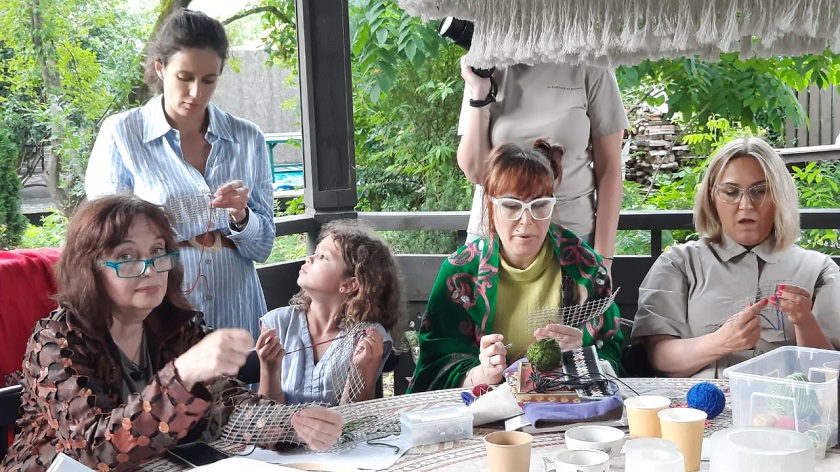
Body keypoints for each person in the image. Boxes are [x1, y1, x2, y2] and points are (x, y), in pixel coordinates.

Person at [0, 196, 341, 471]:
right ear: (89, 269)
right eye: (126, 256)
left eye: (157, 251)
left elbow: (226, 404)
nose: (149, 269)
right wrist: (182, 374)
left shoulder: (177, 325)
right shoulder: (56, 341)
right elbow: (95, 453)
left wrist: (292, 423)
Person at [85, 9, 274, 337]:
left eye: (209, 80)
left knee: (245, 373)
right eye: (184, 78)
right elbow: (106, 240)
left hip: (238, 306)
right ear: (161, 68)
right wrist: (167, 224)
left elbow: (263, 248)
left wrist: (241, 216)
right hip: (162, 311)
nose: (196, 92)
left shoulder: (247, 137)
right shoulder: (123, 134)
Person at [407, 140, 623, 393]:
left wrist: (582, 355)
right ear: (491, 206)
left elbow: (612, 352)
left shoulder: (585, 268)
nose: (526, 220)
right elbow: (436, 365)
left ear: (552, 205)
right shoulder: (461, 272)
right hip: (484, 409)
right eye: (511, 206)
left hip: (565, 402)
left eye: (539, 205)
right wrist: (482, 373)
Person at [631, 137, 840, 378]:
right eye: (731, 192)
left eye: (760, 191)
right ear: (712, 196)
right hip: (700, 400)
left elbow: (830, 373)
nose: (746, 205)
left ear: (780, 196)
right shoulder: (679, 263)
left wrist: (805, 322)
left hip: (789, 400)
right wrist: (720, 342)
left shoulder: (818, 269)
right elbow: (659, 358)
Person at [456, 60, 628, 270]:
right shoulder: (485, 64)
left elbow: (609, 171)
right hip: (495, 236)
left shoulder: (592, 65)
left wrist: (604, 259)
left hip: (570, 236)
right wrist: (480, 92)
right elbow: (476, 172)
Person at [257, 220, 402, 405]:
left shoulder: (367, 338)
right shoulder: (277, 323)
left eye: (323, 257)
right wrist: (268, 369)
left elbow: (356, 417)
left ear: (349, 284)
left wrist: (360, 369)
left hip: (343, 425)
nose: (308, 258)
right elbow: (267, 412)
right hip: (282, 425)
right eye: (315, 252)